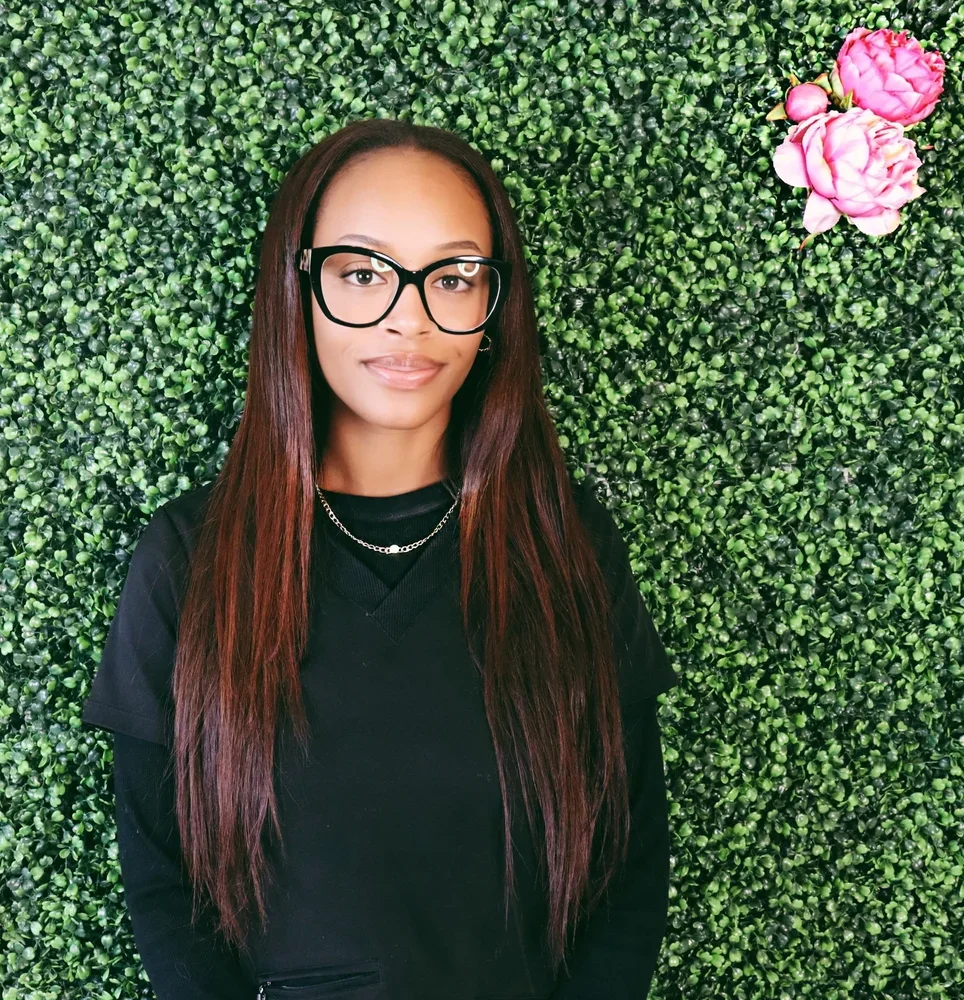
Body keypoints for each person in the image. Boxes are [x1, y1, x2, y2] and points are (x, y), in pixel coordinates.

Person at [81, 117, 680, 1000]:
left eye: (453, 275)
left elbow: (628, 868)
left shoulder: (569, 546)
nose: (408, 317)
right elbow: (165, 883)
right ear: (299, 287)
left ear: (493, 307)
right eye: (361, 273)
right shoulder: (189, 560)